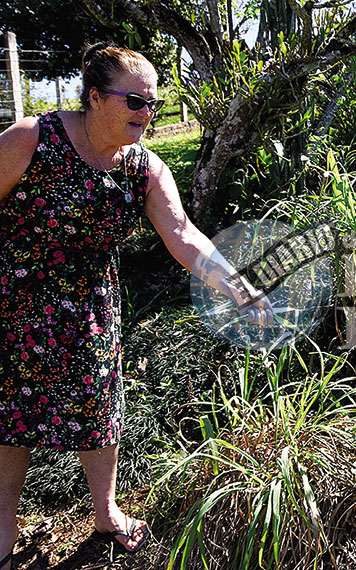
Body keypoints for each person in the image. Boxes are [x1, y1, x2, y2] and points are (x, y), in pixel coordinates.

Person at [0, 43, 273, 569]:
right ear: (95, 97)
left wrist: (238, 286)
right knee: (10, 419)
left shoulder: (144, 168)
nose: (147, 113)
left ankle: (105, 513)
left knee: (100, 412)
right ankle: (2, 531)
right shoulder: (32, 139)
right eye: (135, 101)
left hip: (91, 308)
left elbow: (183, 234)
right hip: (14, 303)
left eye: (153, 103)